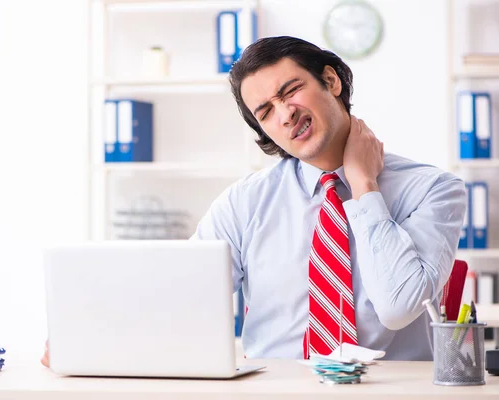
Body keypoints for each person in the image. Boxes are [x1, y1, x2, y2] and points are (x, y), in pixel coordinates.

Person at [41, 36, 466, 366]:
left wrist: (363, 183)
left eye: (291, 91)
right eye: (265, 111)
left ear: (331, 81)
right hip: (274, 387)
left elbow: (397, 307)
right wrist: (88, 334)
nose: (284, 115)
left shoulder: (432, 189)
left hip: (386, 390)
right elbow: (180, 296)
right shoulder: (244, 202)